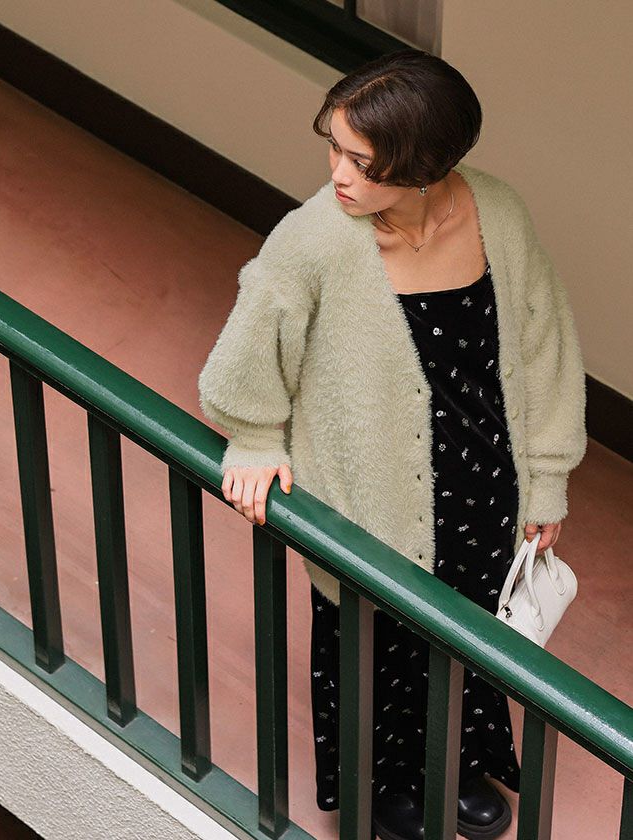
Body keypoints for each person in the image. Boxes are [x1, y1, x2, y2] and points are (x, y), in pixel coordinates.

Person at [198, 48, 587, 840]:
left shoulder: (499, 214)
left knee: (468, 636)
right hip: (366, 500)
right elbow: (247, 358)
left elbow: (544, 346)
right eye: (335, 149)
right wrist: (255, 439)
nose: (338, 175)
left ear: (426, 165)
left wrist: (547, 478)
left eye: (363, 163)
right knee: (373, 649)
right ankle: (388, 784)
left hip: (484, 488)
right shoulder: (313, 241)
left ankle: (461, 764)